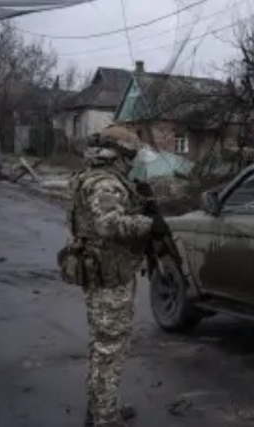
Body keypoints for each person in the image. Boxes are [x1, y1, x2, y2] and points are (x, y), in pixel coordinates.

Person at [59, 124, 168, 427]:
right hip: (109, 276)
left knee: (101, 345)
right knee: (110, 348)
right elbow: (109, 225)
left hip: (100, 271)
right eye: (131, 154)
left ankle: (99, 408)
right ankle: (106, 418)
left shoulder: (89, 176)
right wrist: (148, 224)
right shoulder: (107, 183)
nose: (134, 160)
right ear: (119, 154)